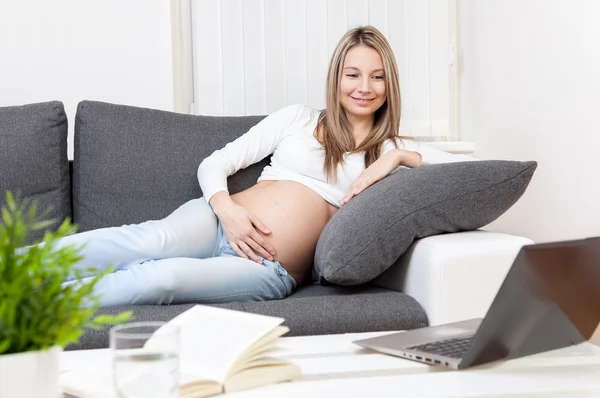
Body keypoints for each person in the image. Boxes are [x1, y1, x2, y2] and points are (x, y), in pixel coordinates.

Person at [59, 25, 475, 307]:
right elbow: (214, 163)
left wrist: (399, 156)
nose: (364, 88)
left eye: (377, 77)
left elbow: (474, 174)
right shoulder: (298, 118)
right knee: (137, 244)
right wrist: (227, 210)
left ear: (390, 85)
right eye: (353, 74)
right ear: (337, 78)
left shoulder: (392, 149)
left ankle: (33, 307)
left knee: (159, 280)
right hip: (218, 220)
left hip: (265, 268)